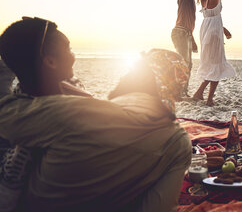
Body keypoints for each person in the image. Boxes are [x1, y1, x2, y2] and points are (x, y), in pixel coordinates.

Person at [0, 17, 192, 211]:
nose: (73, 56)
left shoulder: (71, 112)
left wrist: (14, 59)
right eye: (68, 49)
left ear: (130, 76)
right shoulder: (180, 142)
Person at [172, 0, 223, 97]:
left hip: (185, 33)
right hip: (180, 32)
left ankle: (182, 91)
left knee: (187, 65)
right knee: (184, 64)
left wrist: (192, 39)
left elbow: (188, 22)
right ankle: (178, 92)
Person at [192, 0, 239, 106]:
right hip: (212, 30)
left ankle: (199, 93)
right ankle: (209, 99)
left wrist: (223, 30)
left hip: (207, 28)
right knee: (217, 64)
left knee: (211, 63)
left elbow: (212, 16)